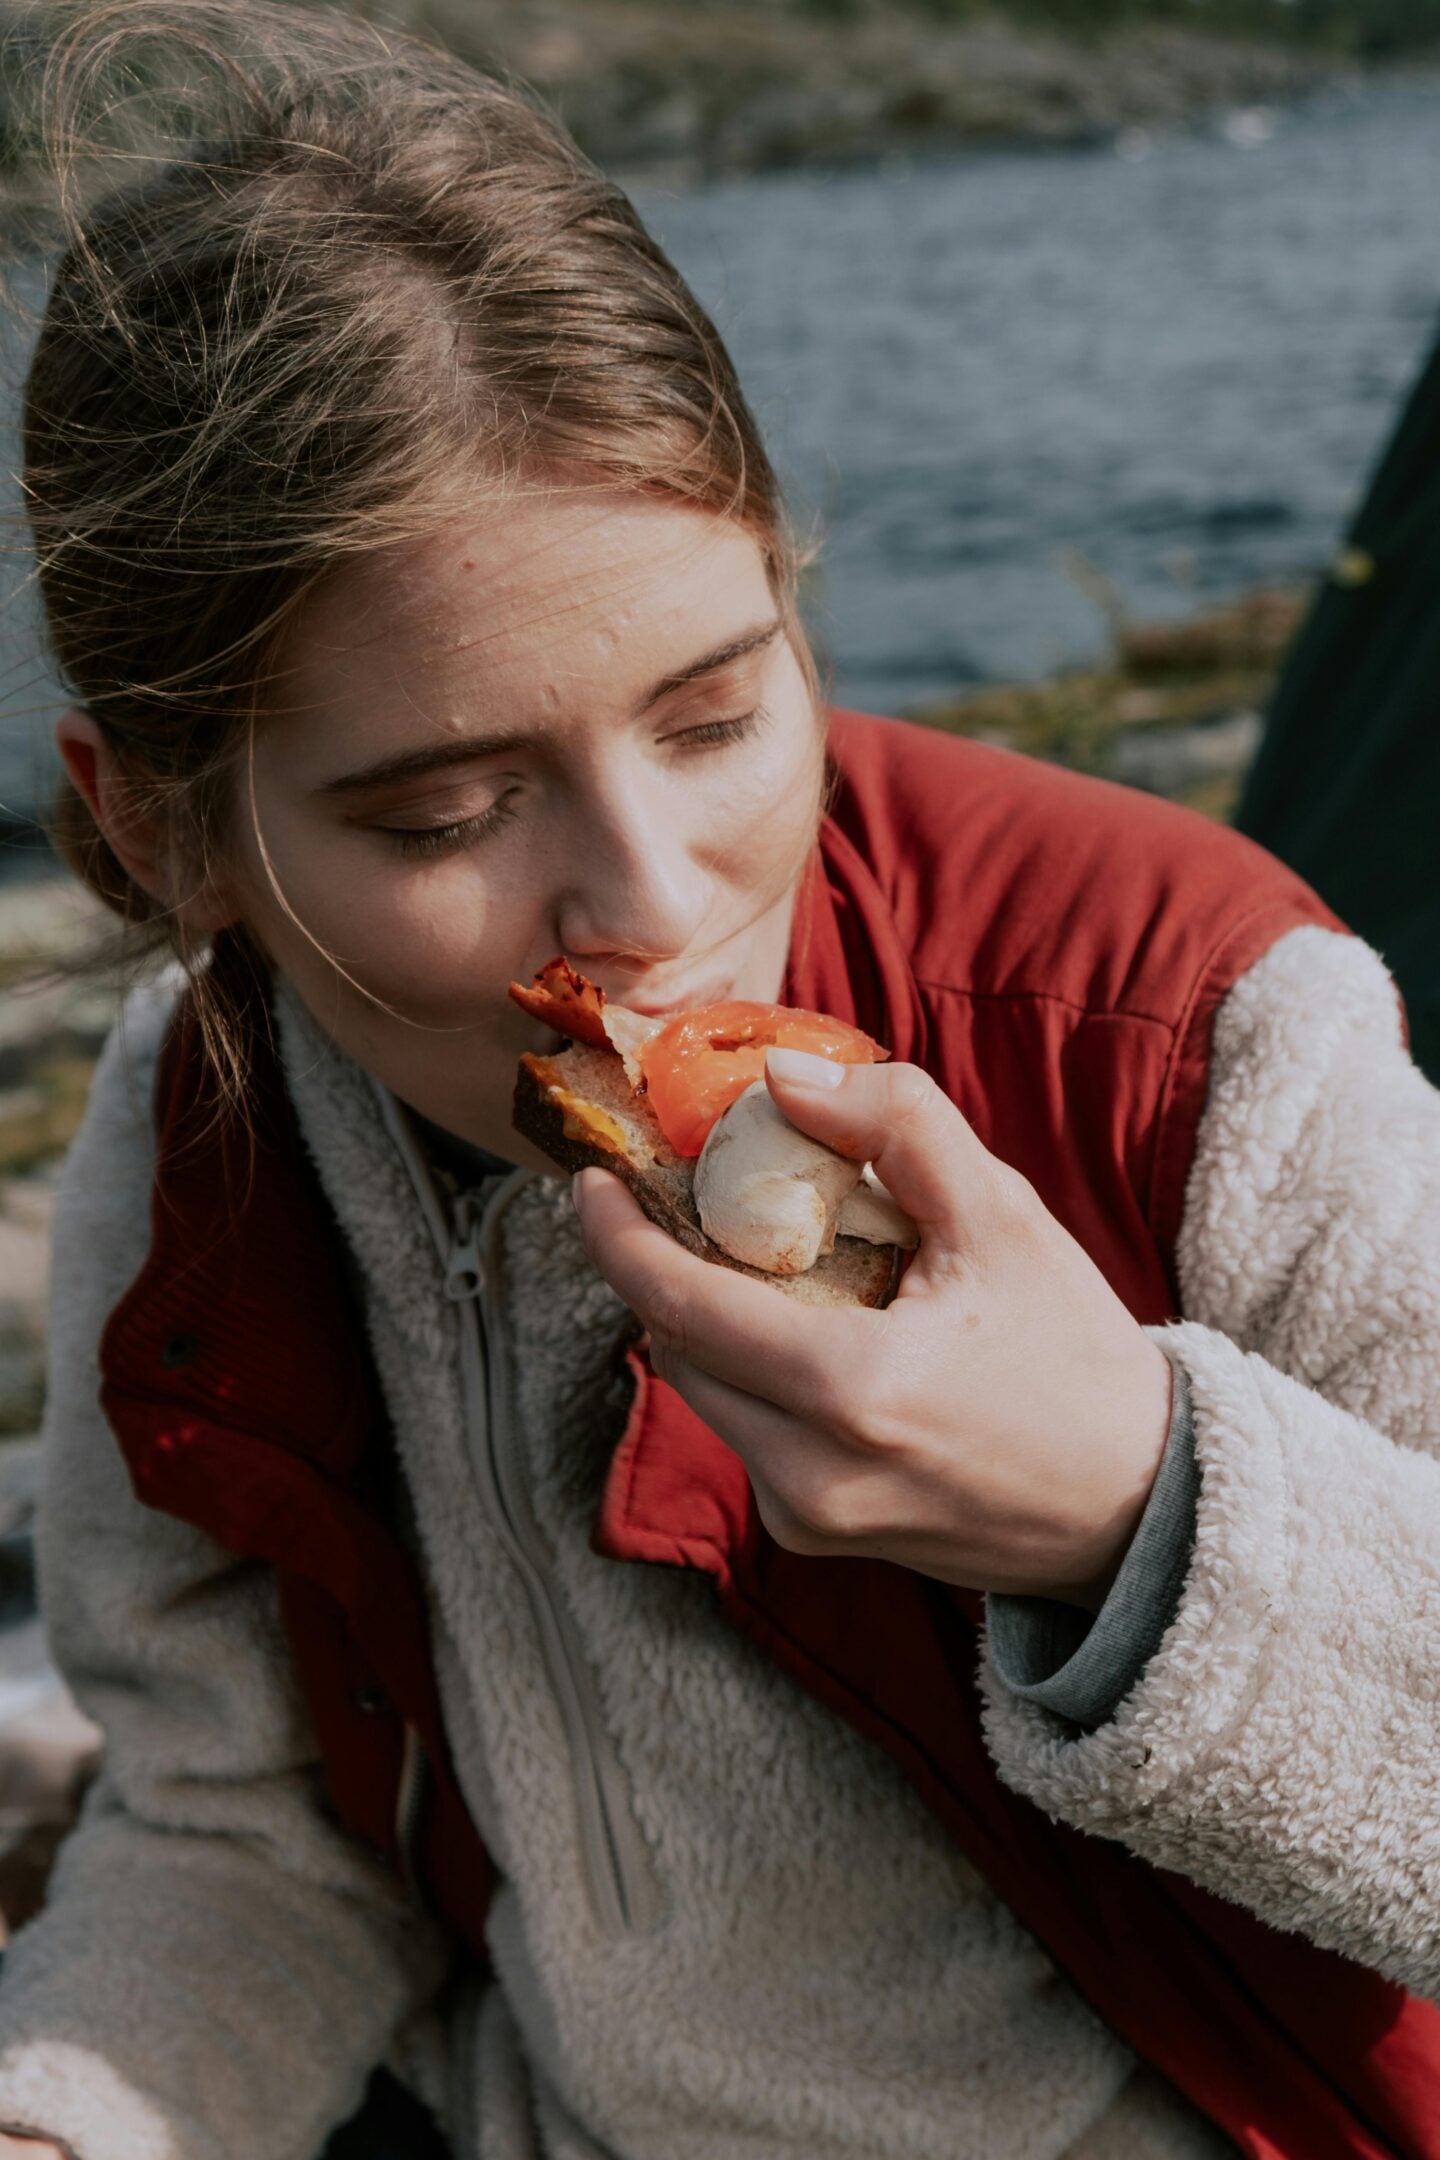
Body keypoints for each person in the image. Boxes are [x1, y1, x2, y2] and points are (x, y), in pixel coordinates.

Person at [2, 5, 1440, 2156]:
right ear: (157, 839)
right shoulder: (210, 1122)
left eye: (716, 712)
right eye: (442, 815)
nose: (654, 899)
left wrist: (1127, 1506)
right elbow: (242, 1838)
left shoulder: (1189, 1027)